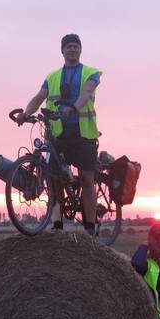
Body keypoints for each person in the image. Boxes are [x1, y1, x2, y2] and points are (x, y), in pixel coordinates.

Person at [15, 34, 102, 234]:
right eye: (68, 47)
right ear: (62, 51)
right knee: (53, 180)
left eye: (75, 46)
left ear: (80, 50)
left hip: (83, 134)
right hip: (58, 134)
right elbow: (38, 98)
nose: (72, 50)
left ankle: (89, 226)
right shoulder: (52, 77)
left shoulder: (91, 72)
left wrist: (73, 108)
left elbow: (86, 94)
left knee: (87, 179)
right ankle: (57, 225)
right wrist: (25, 114)